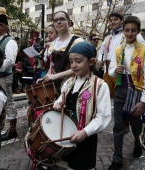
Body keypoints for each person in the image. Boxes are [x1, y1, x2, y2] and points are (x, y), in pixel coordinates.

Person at [53, 41, 111, 170]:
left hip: (85, 138)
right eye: (71, 61)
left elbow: (103, 116)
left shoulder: (100, 86)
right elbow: (60, 99)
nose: (73, 65)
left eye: (78, 61)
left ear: (90, 62)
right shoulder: (69, 82)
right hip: (66, 134)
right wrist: (57, 104)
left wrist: (85, 132)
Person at [108, 16, 145, 170]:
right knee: (118, 125)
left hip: (137, 91)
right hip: (120, 90)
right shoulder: (119, 49)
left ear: (138, 31)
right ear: (123, 31)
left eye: (133, 30)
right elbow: (111, 70)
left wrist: (143, 101)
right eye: (127, 30)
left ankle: (138, 143)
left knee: (136, 124)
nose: (130, 33)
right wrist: (115, 70)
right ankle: (117, 158)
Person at [0, 7, 18, 141]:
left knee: (8, 102)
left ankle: (12, 130)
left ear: (2, 26)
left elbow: (10, 61)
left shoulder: (10, 41)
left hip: (4, 77)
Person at [37, 11, 83, 84]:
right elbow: (52, 66)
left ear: (69, 23)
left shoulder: (77, 42)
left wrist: (56, 76)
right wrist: (45, 78)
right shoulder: (53, 44)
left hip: (73, 84)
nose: (58, 22)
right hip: (57, 86)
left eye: (62, 19)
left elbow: (80, 67)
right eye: (55, 20)